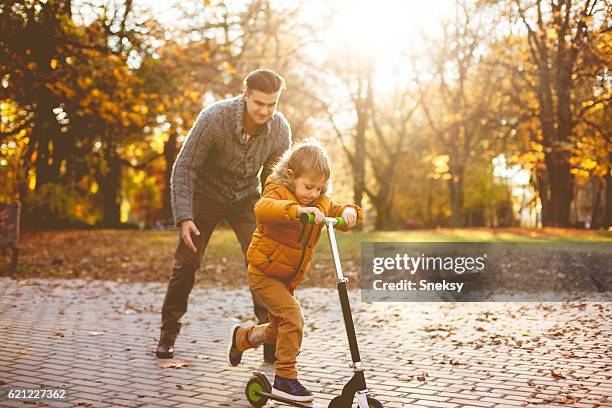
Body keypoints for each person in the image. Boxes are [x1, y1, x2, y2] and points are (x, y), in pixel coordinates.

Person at [156, 69, 291, 362]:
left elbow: (274, 179)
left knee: (264, 262)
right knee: (186, 263)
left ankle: (270, 337)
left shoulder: (280, 129)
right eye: (259, 103)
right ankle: (168, 333)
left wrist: (275, 215)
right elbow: (185, 168)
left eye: (272, 105)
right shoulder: (214, 119)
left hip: (246, 199)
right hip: (205, 197)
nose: (265, 111)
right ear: (245, 95)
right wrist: (185, 216)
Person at [226, 140, 362, 403]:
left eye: (319, 188)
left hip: (288, 280)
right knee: (293, 317)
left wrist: (350, 212)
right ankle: (286, 378)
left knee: (279, 329)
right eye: (308, 187)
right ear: (291, 175)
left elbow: (339, 211)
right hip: (263, 273)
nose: (313, 193)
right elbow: (263, 208)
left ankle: (243, 337)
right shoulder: (277, 192)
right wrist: (297, 211)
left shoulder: (320, 202)